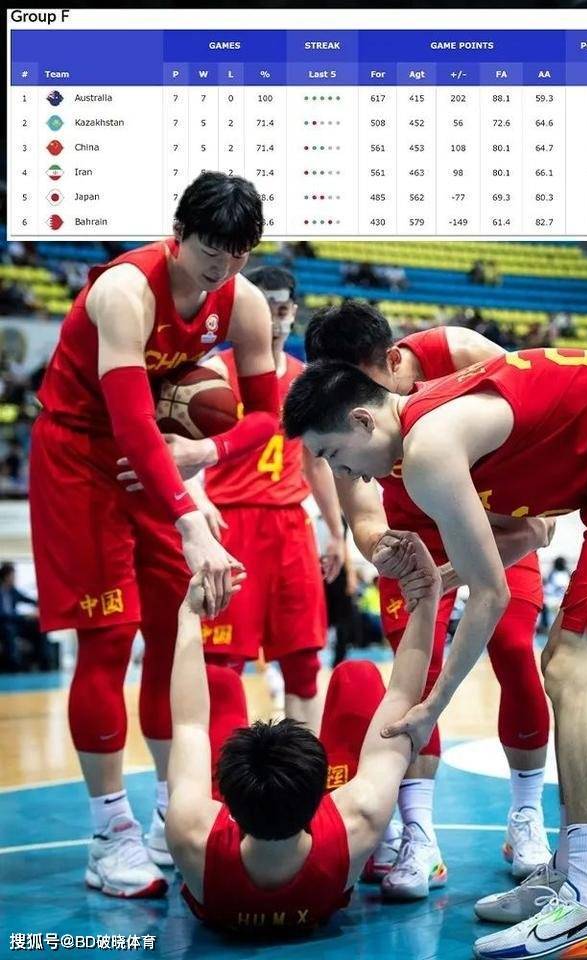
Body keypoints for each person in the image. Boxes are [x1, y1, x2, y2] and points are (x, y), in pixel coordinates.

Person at [283, 348, 587, 960]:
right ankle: (573, 872)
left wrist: (432, 707)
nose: (350, 475)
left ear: (364, 420)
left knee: (575, 671)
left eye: (335, 455)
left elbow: (492, 596)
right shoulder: (432, 419)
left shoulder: (427, 450)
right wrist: (447, 576)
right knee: (565, 664)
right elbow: (520, 540)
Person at [29, 172, 282, 898]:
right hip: (81, 458)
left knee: (177, 641)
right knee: (109, 640)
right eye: (209, 250)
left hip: (157, 462)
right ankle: (108, 833)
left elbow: (269, 417)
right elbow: (133, 422)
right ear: (179, 234)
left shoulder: (245, 301)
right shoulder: (125, 292)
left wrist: (205, 453)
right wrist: (192, 519)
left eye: (237, 254)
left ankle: (176, 809)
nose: (221, 267)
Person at [305, 302, 550, 898]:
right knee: (414, 676)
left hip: (495, 520)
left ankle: (527, 814)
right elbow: (363, 517)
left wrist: (536, 521)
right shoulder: (337, 414)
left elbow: (537, 432)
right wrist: (380, 547)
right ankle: (418, 833)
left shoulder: (461, 353)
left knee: (515, 650)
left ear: (392, 361)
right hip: (415, 536)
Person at [166, 533, 442, 936]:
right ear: (322, 794)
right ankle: (394, 844)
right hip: (339, 853)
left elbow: (188, 724)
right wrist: (429, 599)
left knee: (220, 685)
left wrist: (188, 613)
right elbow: (401, 694)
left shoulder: (190, 835)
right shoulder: (358, 821)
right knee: (358, 677)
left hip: (217, 867)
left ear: (227, 804)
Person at [201, 266, 345, 732]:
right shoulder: (212, 375)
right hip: (232, 525)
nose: (275, 319)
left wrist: (336, 532)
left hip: (291, 527)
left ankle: (304, 771)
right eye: (265, 309)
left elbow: (316, 463)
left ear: (293, 312)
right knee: (222, 665)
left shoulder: (306, 381)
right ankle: (223, 772)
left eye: (282, 309)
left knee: (304, 663)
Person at [0, 562, 52, 672]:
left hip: (15, 624)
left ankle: (42, 661)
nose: (15, 579)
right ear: (6, 576)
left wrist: (42, 603)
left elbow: (27, 600)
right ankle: (13, 666)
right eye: (13, 576)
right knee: (9, 631)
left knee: (38, 625)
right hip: (3, 625)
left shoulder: (13, 591)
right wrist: (24, 617)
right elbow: (3, 615)